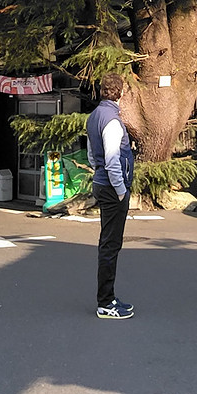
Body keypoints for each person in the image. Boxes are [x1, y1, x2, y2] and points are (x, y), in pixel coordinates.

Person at [86, 73, 136, 320]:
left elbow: (91, 153)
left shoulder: (94, 116)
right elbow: (112, 159)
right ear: (121, 93)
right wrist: (121, 191)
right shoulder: (113, 121)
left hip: (100, 182)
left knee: (108, 243)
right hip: (111, 187)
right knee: (111, 244)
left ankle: (108, 298)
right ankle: (106, 302)